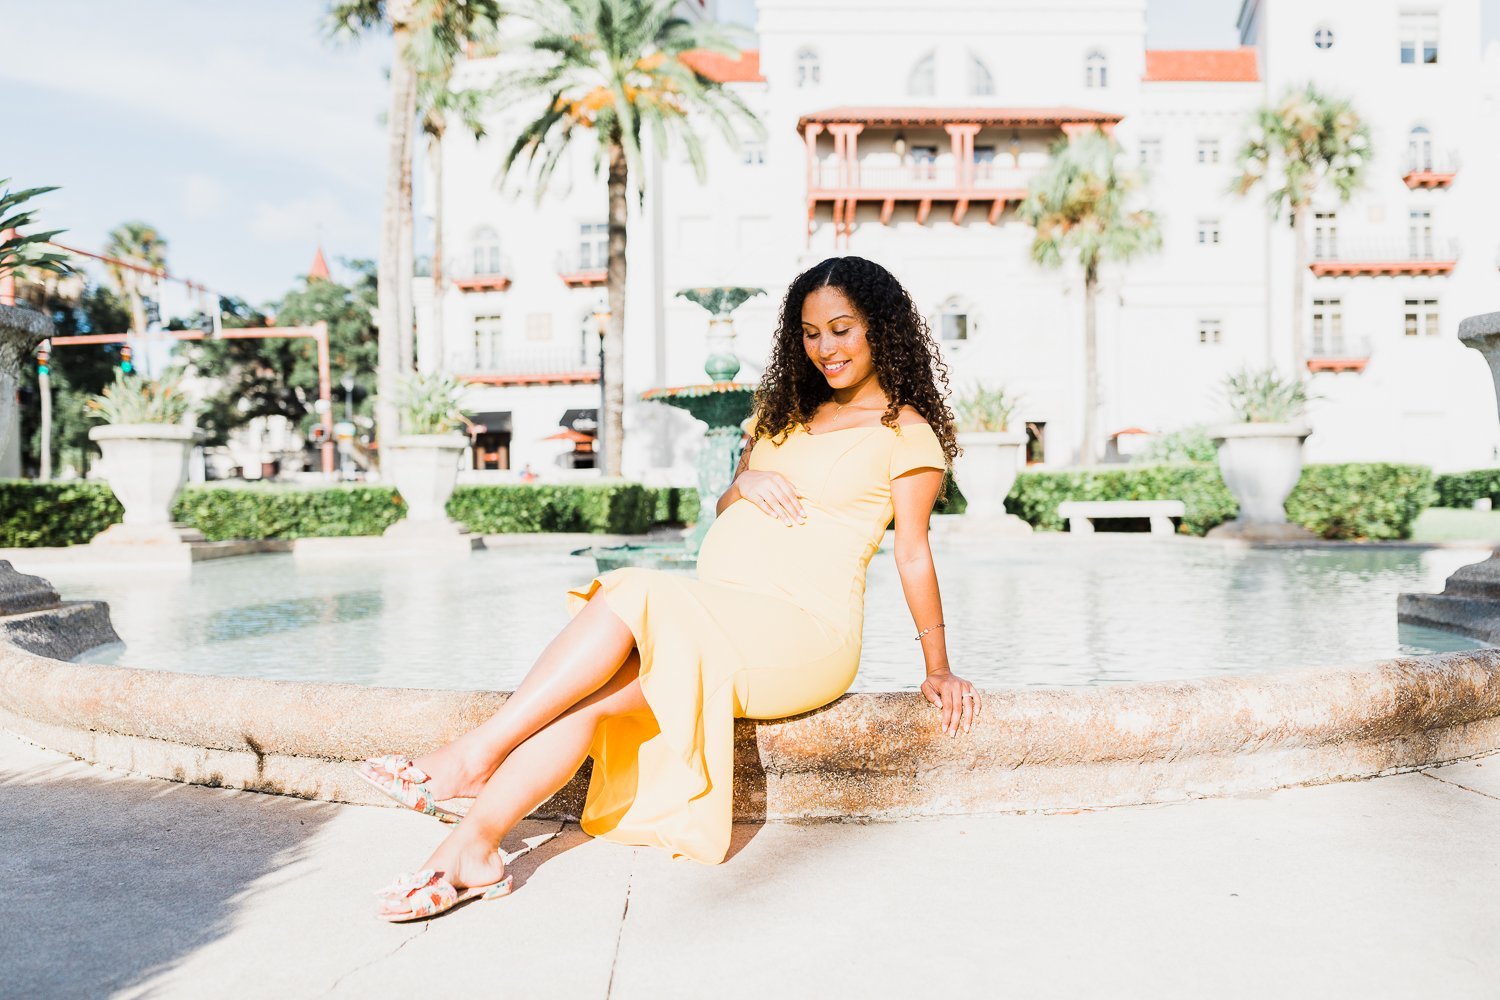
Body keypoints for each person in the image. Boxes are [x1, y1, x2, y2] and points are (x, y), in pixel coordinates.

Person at [358, 255, 982, 922]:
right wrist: (743, 483)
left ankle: (475, 755)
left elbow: (913, 554)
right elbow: (725, 506)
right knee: (590, 703)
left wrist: (937, 668)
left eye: (840, 329)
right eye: (809, 333)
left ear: (880, 329)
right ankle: (469, 850)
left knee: (632, 588)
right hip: (719, 616)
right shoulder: (780, 417)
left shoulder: (907, 436)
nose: (824, 348)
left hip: (804, 633)